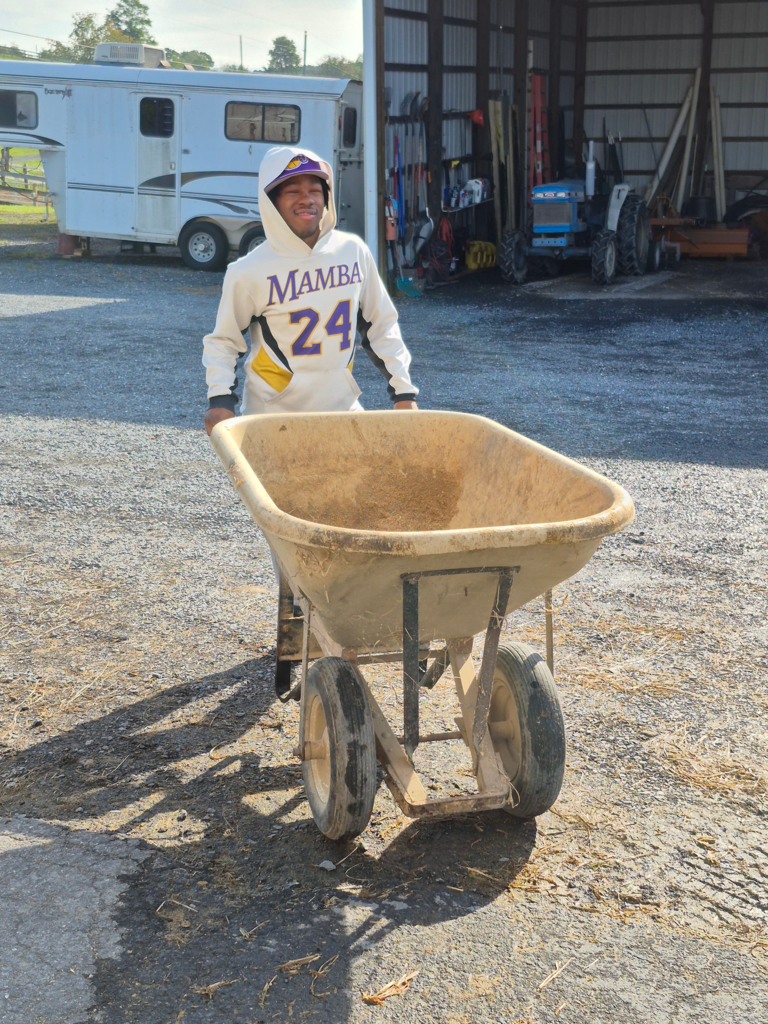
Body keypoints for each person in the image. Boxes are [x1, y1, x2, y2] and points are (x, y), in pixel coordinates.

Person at [203, 146, 418, 435]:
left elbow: (381, 325)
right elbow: (224, 342)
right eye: (293, 191)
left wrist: (404, 393)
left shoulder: (352, 251)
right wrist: (219, 399)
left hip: (343, 415)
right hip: (270, 422)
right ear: (272, 202)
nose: (307, 199)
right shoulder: (248, 271)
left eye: (315, 190)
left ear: (326, 196)